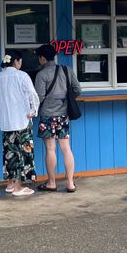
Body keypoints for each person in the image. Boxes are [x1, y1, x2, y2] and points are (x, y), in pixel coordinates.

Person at [33, 43, 81, 193]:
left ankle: (52, 183)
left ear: (42, 58)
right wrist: (66, 100)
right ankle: (70, 183)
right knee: (66, 148)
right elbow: (77, 89)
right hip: (63, 115)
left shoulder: (41, 75)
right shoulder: (67, 70)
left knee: (50, 148)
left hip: (47, 115)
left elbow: (39, 97)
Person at [0, 49, 39, 196]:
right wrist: (33, 111)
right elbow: (32, 94)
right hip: (21, 120)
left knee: (9, 152)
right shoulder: (22, 75)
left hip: (6, 121)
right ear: (16, 61)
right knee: (22, 152)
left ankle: (10, 184)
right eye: (20, 61)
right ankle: (19, 187)